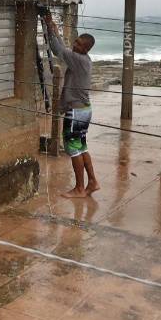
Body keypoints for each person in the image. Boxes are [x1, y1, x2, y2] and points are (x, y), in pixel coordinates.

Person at [41, 10, 99, 198]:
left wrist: (49, 27)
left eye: (79, 45)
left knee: (73, 150)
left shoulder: (79, 60)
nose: (75, 45)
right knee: (81, 147)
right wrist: (55, 30)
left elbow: (58, 50)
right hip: (84, 110)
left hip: (75, 112)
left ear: (86, 49)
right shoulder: (84, 60)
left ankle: (80, 188)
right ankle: (93, 182)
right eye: (76, 41)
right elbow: (64, 48)